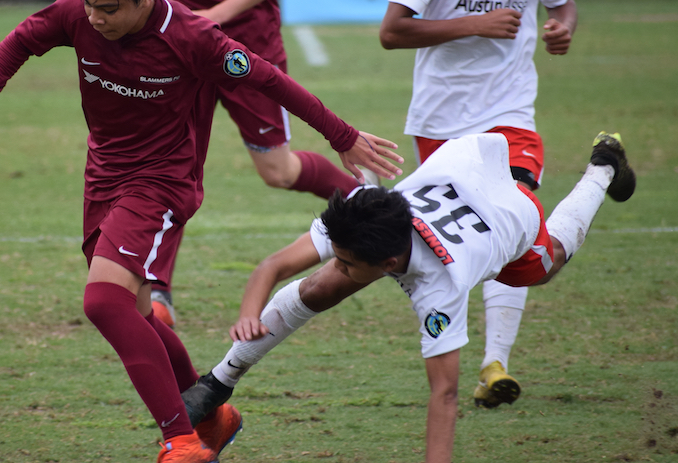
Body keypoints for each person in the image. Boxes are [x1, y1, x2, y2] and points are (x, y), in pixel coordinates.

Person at [0, 0, 403, 463]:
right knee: (140, 316)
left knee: (103, 302)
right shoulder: (77, 13)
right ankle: (214, 416)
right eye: (89, 3)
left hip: (162, 183)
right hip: (102, 177)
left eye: (109, 8)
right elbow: (22, 40)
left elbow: (269, 81)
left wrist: (342, 135)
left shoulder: (193, 37)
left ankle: (181, 440)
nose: (95, 17)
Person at [181, 131, 636, 463]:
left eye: (347, 261)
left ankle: (602, 169)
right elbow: (273, 266)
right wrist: (246, 315)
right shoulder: (368, 208)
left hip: (511, 214)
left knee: (547, 265)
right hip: (463, 158)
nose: (336, 263)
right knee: (321, 287)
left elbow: (445, 392)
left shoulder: (443, 286)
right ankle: (216, 383)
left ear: (389, 268)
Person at [131, 0, 367, 326]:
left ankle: (363, 197)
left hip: (247, 53)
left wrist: (212, 17)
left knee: (278, 172)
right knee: (175, 169)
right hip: (189, 56)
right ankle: (159, 293)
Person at [378, 0, 579, 407]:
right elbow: (392, 32)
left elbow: (563, 4)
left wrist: (561, 28)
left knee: (513, 221)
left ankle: (496, 363)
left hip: (511, 114)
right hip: (441, 121)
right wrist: (476, 24)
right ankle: (600, 176)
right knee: (461, 247)